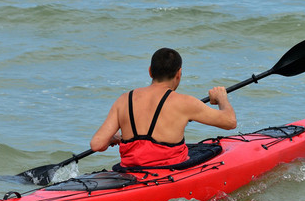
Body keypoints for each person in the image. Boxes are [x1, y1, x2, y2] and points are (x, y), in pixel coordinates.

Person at [90, 48, 237, 167]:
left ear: (150, 71)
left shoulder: (124, 99)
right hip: (168, 170)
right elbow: (230, 122)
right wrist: (221, 98)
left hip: (132, 170)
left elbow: (97, 144)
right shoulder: (184, 102)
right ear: (179, 73)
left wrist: (113, 139)